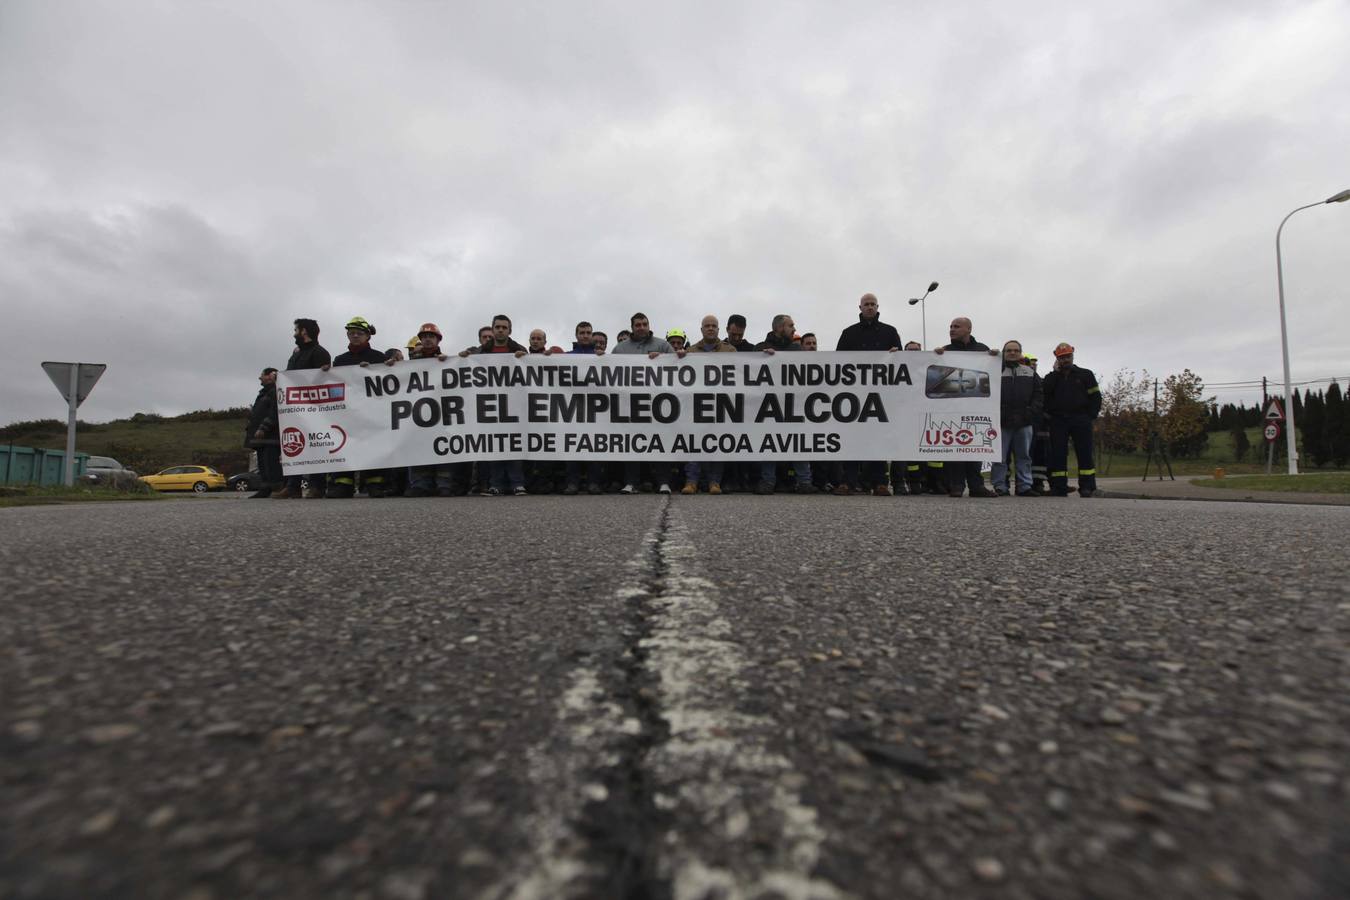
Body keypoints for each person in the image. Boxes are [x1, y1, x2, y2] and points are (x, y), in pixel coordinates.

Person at [834, 293, 901, 495]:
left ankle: (880, 482)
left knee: (878, 438)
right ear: (860, 307)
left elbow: (900, 361)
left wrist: (895, 353)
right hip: (855, 395)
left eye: (873, 304)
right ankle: (849, 481)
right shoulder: (849, 333)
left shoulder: (890, 332)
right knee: (852, 438)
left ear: (877, 307)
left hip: (881, 395)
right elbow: (836, 362)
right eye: (866, 304)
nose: (870, 307)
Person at [324, 316, 391, 498]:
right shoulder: (340, 360)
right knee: (345, 444)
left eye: (359, 333)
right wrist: (323, 374)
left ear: (368, 336)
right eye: (351, 333)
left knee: (373, 445)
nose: (354, 336)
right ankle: (343, 484)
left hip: (372, 411)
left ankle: (375, 483)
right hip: (347, 411)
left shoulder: (378, 357)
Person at [935, 317, 998, 498]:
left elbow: (992, 376)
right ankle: (956, 485)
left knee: (974, 446)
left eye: (956, 326)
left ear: (969, 329)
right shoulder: (945, 351)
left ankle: (976, 486)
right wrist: (934, 356)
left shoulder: (982, 350)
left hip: (976, 407)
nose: (952, 329)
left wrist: (994, 358)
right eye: (950, 327)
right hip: (953, 407)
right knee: (955, 447)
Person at [398, 324, 463, 497]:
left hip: (442, 413)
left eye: (431, 336)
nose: (427, 339)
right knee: (418, 446)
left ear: (438, 340)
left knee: (443, 447)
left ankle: (444, 484)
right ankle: (420, 484)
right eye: (424, 336)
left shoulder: (447, 361)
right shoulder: (409, 364)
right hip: (417, 414)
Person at [612, 313, 673, 493]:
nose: (641, 327)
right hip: (630, 405)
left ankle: (664, 482)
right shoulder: (620, 349)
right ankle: (631, 483)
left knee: (660, 443)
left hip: (659, 404)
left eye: (644, 324)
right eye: (637, 325)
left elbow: (679, 364)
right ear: (632, 327)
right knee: (632, 443)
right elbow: (607, 371)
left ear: (649, 325)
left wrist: (663, 358)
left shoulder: (662, 345)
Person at [755, 314, 815, 494]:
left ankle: (804, 481)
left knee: (798, 441)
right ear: (779, 328)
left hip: (795, 404)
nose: (794, 329)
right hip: (769, 406)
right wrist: (762, 357)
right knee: (769, 442)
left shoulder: (798, 351)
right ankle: (768, 481)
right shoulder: (760, 348)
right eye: (791, 326)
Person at [681, 316, 737, 494]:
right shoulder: (689, 351)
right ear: (701, 329)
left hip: (721, 405)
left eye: (714, 326)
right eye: (707, 326)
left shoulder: (731, 351)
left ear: (719, 329)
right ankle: (692, 481)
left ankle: (715, 482)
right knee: (694, 443)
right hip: (696, 406)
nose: (710, 328)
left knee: (717, 443)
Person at [278, 318, 331, 499]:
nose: (294, 333)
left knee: (316, 445)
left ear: (304, 331)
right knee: (294, 444)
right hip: (295, 410)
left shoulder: (320, 353)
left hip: (315, 410)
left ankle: (317, 486)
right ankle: (293, 486)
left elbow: (323, 381)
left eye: (296, 330)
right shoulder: (296, 354)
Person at [1042, 342, 1102, 498]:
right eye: (1061, 358)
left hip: (1081, 419)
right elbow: (1045, 397)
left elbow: (1096, 397)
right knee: (1058, 454)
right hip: (1058, 421)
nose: (1065, 360)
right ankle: (1059, 487)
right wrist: (1049, 416)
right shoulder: (1051, 378)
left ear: (1072, 356)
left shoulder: (1086, 375)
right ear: (1056, 358)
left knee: (1085, 453)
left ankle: (1087, 487)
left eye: (1067, 356)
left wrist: (1091, 416)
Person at [991, 340, 1043, 496]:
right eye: (1008, 350)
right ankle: (1000, 486)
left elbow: (1038, 395)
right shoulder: (994, 371)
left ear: (1020, 352)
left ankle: (1024, 486)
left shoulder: (1030, 372)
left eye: (1015, 350)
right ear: (1003, 353)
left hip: (1025, 422)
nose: (1012, 353)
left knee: (1024, 457)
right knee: (999, 457)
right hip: (1002, 422)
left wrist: (1030, 412)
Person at [245, 368, 281, 498]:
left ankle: (276, 488)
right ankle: (265, 488)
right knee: (263, 464)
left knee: (271, 464)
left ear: (270, 376)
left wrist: (263, 428)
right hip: (260, 438)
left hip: (270, 436)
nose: (259, 378)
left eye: (262, 375)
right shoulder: (263, 393)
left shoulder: (275, 391)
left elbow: (274, 412)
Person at [1023, 353, 1051, 493]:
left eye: (1035, 364)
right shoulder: (1022, 379)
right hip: (1027, 421)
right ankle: (1025, 483)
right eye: (1030, 363)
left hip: (1041, 422)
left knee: (1041, 454)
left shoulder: (1040, 380)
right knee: (1027, 453)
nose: (1033, 366)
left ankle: (1038, 483)